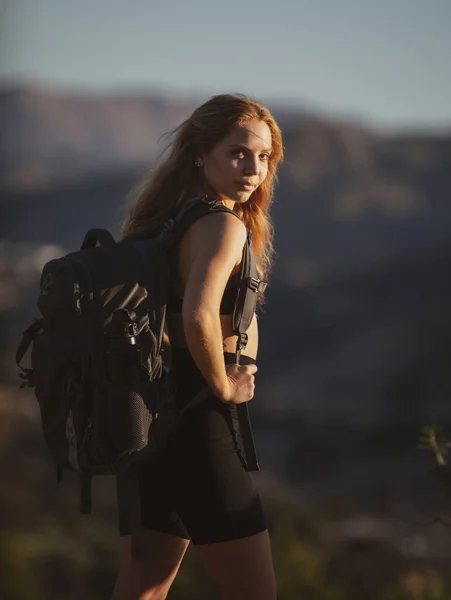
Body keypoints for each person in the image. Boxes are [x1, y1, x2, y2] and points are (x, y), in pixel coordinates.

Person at [111, 93, 284, 600]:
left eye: (264, 157)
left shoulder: (173, 220)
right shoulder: (222, 224)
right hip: (197, 421)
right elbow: (199, 315)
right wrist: (225, 387)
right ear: (199, 154)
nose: (253, 169)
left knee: (145, 586)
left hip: (153, 419)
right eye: (238, 153)